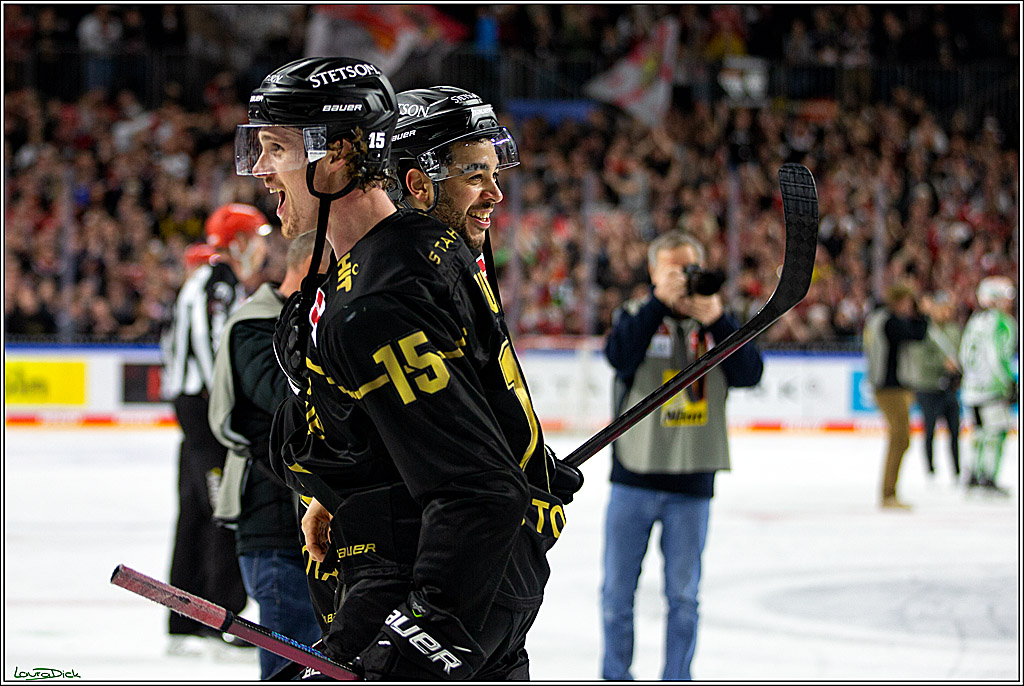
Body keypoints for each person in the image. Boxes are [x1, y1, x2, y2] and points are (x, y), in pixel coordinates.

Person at [234, 57, 579, 680]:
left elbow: (477, 490)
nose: (260, 169)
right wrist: (337, 488)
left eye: (276, 148)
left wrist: (426, 629)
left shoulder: (377, 298)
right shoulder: (419, 246)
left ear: (337, 154)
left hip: (428, 579)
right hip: (451, 569)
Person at [601, 230, 763, 681]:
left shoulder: (718, 323)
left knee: (685, 598)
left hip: (693, 480)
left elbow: (749, 373)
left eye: (689, 269)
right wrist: (658, 304)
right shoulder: (635, 314)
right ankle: (615, 676)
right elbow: (619, 356)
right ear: (653, 273)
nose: (683, 279)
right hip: (634, 475)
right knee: (617, 595)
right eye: (673, 270)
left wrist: (717, 319)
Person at [207, 228, 325, 678]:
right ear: (311, 269)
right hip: (272, 522)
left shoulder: (305, 321)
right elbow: (281, 403)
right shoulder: (254, 325)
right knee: (288, 663)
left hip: (309, 518)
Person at [159, 203, 268, 656]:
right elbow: (217, 346)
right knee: (221, 507)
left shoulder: (203, 280)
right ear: (240, 242)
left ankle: (184, 617)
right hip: (207, 408)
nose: (263, 249)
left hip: (192, 407)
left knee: (196, 509)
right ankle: (217, 616)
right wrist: (233, 401)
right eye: (257, 238)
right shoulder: (219, 283)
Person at [863, 282, 933, 510]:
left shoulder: (883, 320)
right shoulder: (890, 322)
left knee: (901, 438)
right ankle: (888, 493)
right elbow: (917, 334)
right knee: (900, 437)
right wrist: (923, 314)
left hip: (893, 386)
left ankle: (889, 492)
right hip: (889, 387)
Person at [958, 276, 1018, 496]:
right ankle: (988, 477)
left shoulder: (975, 321)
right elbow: (997, 356)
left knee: (977, 432)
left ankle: (972, 474)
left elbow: (963, 354)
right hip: (992, 388)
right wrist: (1008, 381)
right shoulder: (1002, 322)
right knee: (995, 433)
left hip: (971, 389)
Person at [905, 292, 963, 482]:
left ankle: (957, 470)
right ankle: (930, 470)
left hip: (949, 387)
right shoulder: (926, 330)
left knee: (955, 430)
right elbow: (920, 358)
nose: (946, 312)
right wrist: (942, 363)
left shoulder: (954, 330)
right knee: (929, 430)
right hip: (928, 386)